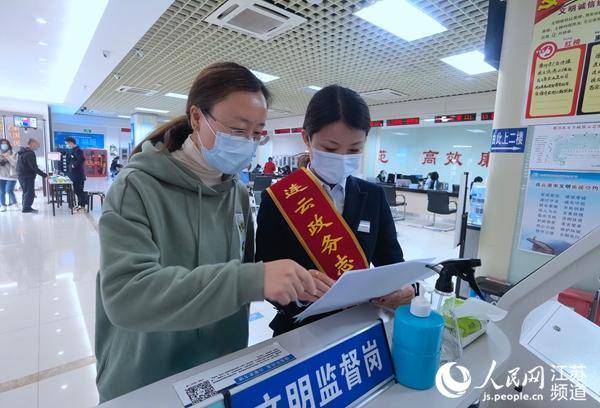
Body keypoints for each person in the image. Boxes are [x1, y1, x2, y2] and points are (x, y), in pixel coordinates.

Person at [95, 62, 321, 402]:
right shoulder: (136, 188)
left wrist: (293, 283)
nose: (247, 143)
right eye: (236, 129)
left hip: (220, 371)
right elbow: (127, 296)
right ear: (197, 118)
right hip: (147, 378)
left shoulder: (238, 194)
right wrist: (253, 280)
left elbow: (243, 276)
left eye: (257, 133)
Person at [256, 85, 416, 335]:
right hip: (300, 330)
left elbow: (393, 264)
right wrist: (299, 293)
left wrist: (407, 289)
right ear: (306, 138)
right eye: (330, 149)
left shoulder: (372, 196)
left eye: (354, 150)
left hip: (361, 325)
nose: (342, 157)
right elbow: (265, 274)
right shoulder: (278, 198)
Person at [16, 138, 47, 213]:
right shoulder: (30, 153)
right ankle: (27, 208)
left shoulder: (22, 152)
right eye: (37, 145)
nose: (38, 147)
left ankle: (25, 206)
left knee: (25, 191)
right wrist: (45, 175)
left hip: (21, 175)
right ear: (33, 144)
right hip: (27, 176)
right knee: (29, 192)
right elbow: (34, 167)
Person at [64, 137, 87, 211]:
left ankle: (82, 206)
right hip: (73, 175)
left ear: (71, 142)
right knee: (76, 190)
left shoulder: (78, 150)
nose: (67, 145)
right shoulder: (72, 150)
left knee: (79, 190)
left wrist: (74, 165)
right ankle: (80, 204)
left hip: (78, 175)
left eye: (67, 144)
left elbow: (82, 159)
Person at [0, 138, 18, 212]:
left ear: (8, 145)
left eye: (6, 144)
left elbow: (16, 164)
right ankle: (3, 205)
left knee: (9, 190)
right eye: (2, 144)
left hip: (11, 176)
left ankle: (15, 203)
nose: (4, 145)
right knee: (2, 192)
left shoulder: (13, 153)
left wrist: (8, 157)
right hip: (1, 175)